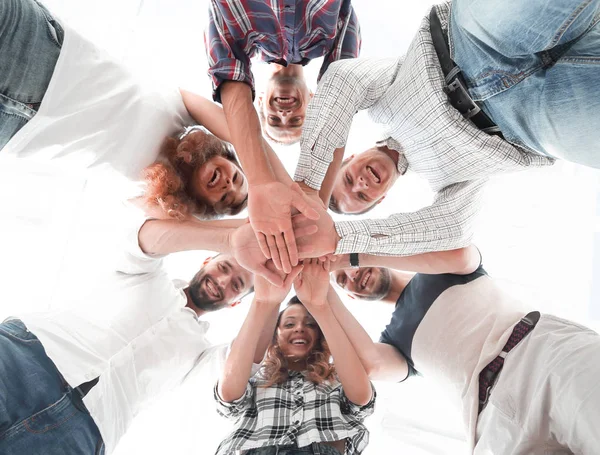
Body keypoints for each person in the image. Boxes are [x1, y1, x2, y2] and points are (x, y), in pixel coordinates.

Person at [289, 0, 600, 258]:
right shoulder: (446, 183)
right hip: (534, 124)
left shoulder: (379, 105)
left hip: (470, 44)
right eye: (362, 196)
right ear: (380, 200)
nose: (361, 184)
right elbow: (456, 228)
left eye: (347, 179)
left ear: (349, 156)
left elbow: (343, 80)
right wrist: (340, 238)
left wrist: (307, 188)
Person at [0, 201, 263, 455]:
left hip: (81, 433)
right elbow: (143, 239)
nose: (223, 281)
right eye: (223, 267)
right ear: (206, 261)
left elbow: (242, 369)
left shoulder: (202, 356)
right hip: (26, 359)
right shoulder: (147, 274)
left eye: (237, 285)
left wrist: (267, 298)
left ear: (235, 303)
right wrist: (232, 237)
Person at [325, 246, 600, 454]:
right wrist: (320, 294)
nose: (352, 274)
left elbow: (463, 254)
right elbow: (368, 364)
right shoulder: (394, 339)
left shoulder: (436, 266)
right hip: (492, 424)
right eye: (341, 281)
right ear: (350, 296)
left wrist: (355, 256)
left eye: (350, 263)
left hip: (541, 355)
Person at [0, 0, 248, 219]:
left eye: (225, 199)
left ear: (202, 204)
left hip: (13, 128)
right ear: (225, 156)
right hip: (35, 48)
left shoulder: (152, 200)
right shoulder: (184, 113)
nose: (228, 185)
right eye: (237, 177)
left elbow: (170, 236)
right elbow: (246, 135)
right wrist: (267, 185)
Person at [204, 0, 361, 273]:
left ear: (261, 101)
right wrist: (314, 201)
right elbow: (341, 91)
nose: (284, 115)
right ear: (314, 101)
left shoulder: (238, 30)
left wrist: (261, 180)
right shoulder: (330, 35)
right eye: (297, 120)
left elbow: (230, 77)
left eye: (274, 119)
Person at [215, 259, 375, 455]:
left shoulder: (337, 378)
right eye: (289, 324)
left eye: (310, 324)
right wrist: (264, 303)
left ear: (320, 335)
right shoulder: (258, 380)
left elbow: (361, 399)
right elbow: (229, 397)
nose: (299, 328)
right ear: (276, 337)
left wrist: (320, 307)